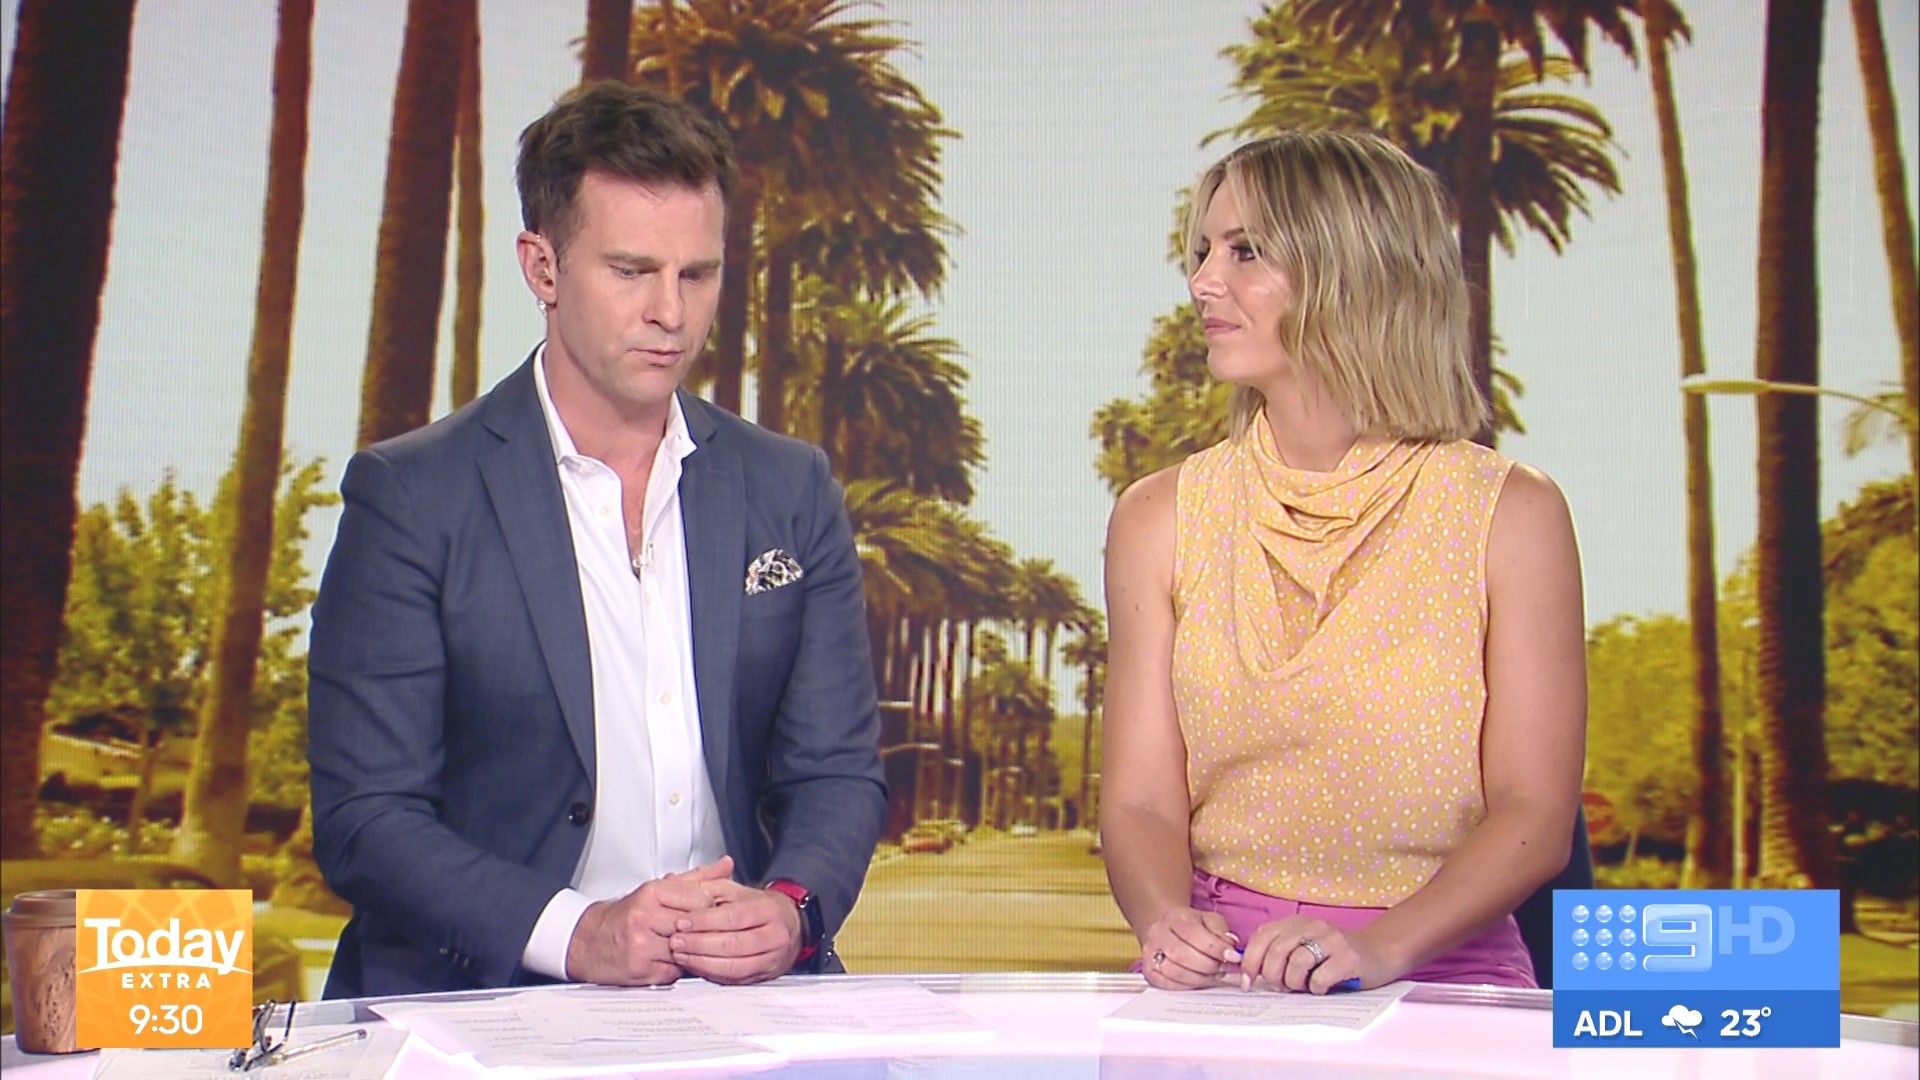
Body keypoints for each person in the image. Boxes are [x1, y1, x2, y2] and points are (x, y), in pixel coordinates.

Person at [307, 82, 885, 998]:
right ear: (542, 269)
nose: (671, 312)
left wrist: (788, 911)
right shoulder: (411, 496)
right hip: (486, 1002)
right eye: (631, 271)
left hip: (737, 1004)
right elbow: (367, 817)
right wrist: (576, 935)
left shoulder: (791, 488)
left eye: (697, 275)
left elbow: (838, 772)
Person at [1099, 130, 1586, 994]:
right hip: (1222, 980)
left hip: (1445, 976)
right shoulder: (1157, 518)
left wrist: (1380, 950)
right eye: (1203, 251)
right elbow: (1140, 803)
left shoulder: (1512, 513)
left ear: (1355, 271)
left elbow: (1535, 815)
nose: (1203, 281)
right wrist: (1164, 922)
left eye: (1247, 251)